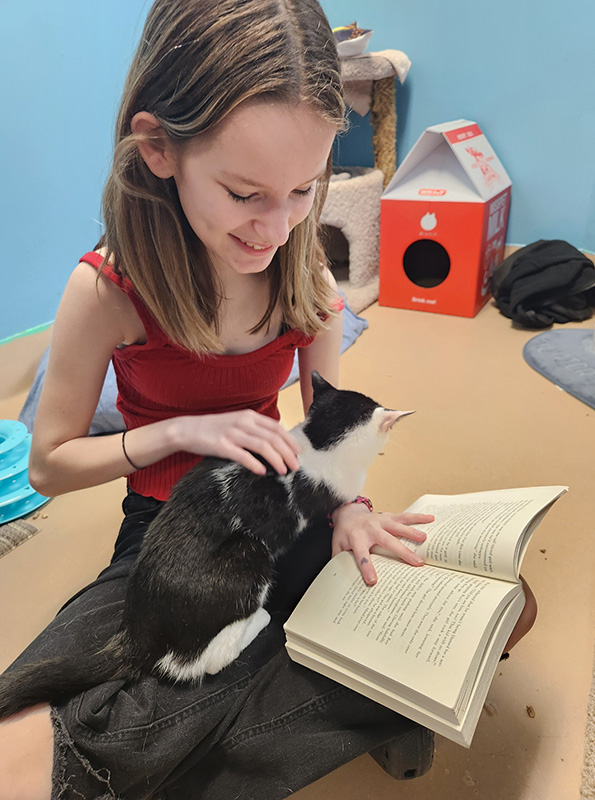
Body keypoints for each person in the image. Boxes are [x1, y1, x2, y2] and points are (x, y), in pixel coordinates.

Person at [0, 1, 537, 798]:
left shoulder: (306, 280)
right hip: (173, 532)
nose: (276, 227)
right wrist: (178, 431)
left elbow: (328, 435)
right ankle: (363, 707)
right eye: (245, 191)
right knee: (26, 733)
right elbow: (46, 465)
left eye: (301, 191)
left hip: (286, 505)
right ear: (158, 149)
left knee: (505, 607)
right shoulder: (106, 289)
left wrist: (350, 510)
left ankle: (271, 710)